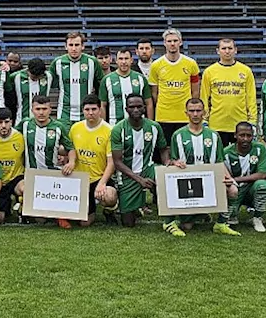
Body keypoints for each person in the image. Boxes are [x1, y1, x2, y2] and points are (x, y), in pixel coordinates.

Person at [165, 98, 239, 237]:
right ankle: (175, 220)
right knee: (187, 226)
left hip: (209, 183)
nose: (195, 114)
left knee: (233, 190)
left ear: (204, 112)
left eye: (198, 110)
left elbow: (219, 162)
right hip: (187, 185)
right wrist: (175, 163)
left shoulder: (213, 135)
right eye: (192, 111)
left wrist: (229, 178)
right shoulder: (178, 135)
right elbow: (173, 160)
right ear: (186, 113)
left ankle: (221, 223)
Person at [110, 94, 166, 228]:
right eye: (132, 107)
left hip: (148, 168)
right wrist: (139, 179)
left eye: (139, 106)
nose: (136, 110)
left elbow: (163, 149)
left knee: (166, 178)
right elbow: (117, 162)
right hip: (128, 174)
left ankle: (170, 214)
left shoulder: (154, 127)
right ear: (126, 109)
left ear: (144, 108)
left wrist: (167, 164)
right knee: (128, 223)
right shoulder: (118, 129)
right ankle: (135, 206)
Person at [65, 95, 118, 228]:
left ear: (100, 110)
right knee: (84, 223)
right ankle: (90, 208)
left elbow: (111, 163)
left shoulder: (109, 130)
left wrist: (102, 183)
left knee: (109, 196)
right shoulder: (75, 128)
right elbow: (69, 152)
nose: (90, 113)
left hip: (98, 178)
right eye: (87, 109)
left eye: (94, 109)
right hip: (79, 180)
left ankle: (109, 210)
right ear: (83, 111)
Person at [200, 38, 256, 145]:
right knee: (218, 159)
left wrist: (252, 120)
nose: (227, 51)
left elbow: (251, 98)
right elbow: (204, 98)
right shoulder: (209, 72)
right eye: (224, 48)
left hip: (240, 124)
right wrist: (204, 120)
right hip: (217, 124)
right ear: (218, 51)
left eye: (230, 48)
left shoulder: (246, 71)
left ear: (235, 50)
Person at [219, 121, 266, 233]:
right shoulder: (226, 153)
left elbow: (262, 174)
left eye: (249, 135)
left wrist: (236, 179)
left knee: (263, 185)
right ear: (235, 135)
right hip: (235, 191)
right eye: (242, 135)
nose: (245, 139)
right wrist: (233, 183)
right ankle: (232, 213)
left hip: (251, 188)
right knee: (231, 218)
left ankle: (257, 218)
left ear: (253, 136)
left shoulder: (260, 149)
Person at [147, 28, 200, 140]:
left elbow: (195, 91)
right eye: (169, 41)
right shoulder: (156, 65)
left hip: (184, 115)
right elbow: (154, 93)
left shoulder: (191, 63)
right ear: (164, 43)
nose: (172, 44)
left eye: (175, 41)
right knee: (165, 148)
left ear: (180, 42)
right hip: (164, 115)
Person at [52, 32, 102, 124]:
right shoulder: (57, 62)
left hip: (87, 112)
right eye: (71, 45)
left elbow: (101, 85)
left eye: (77, 45)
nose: (74, 48)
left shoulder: (92, 62)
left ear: (83, 46)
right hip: (65, 113)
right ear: (65, 46)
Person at [99, 48, 151, 126]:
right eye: (120, 59)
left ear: (131, 60)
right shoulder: (107, 79)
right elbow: (103, 105)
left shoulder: (140, 78)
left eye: (126, 58)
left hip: (138, 125)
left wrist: (150, 123)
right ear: (116, 61)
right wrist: (103, 126)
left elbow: (148, 103)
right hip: (114, 125)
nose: (123, 62)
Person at [9, 57, 53, 124]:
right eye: (33, 76)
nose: (35, 79)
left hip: (43, 121)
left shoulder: (49, 76)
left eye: (38, 77)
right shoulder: (16, 77)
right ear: (28, 70)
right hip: (22, 120)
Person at [2, 51, 23, 116]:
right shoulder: (0, 72)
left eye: (15, 62)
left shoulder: (23, 75)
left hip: (18, 106)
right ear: (6, 60)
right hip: (3, 104)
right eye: (10, 61)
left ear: (19, 63)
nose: (12, 63)